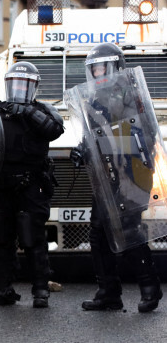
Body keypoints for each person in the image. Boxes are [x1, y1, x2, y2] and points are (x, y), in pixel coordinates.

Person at [69, 42, 163, 313]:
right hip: (106, 175)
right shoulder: (93, 98)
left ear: (115, 67)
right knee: (99, 235)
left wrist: (105, 145)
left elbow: (143, 136)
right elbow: (93, 136)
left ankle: (150, 288)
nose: (98, 73)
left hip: (131, 173)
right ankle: (108, 292)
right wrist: (83, 151)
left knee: (129, 231)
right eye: (94, 69)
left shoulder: (131, 96)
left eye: (102, 67)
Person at [0, 62, 64, 308]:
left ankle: (40, 289)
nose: (19, 88)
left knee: (33, 238)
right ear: (7, 85)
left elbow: (54, 130)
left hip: (31, 185)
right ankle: (3, 289)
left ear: (34, 87)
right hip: (0, 184)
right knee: (1, 239)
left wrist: (28, 112)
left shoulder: (41, 112)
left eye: (24, 84)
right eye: (15, 84)